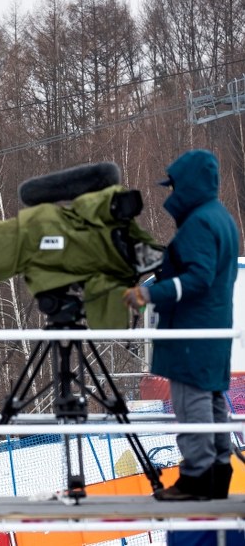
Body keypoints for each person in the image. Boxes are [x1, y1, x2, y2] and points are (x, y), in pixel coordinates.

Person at [123, 149, 240, 500]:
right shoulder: (221, 218)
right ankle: (218, 471)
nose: (170, 195)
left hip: (193, 332)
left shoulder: (200, 223)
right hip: (213, 329)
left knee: (191, 406)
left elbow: (198, 278)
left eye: (174, 187)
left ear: (188, 185)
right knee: (212, 402)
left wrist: (149, 294)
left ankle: (196, 476)